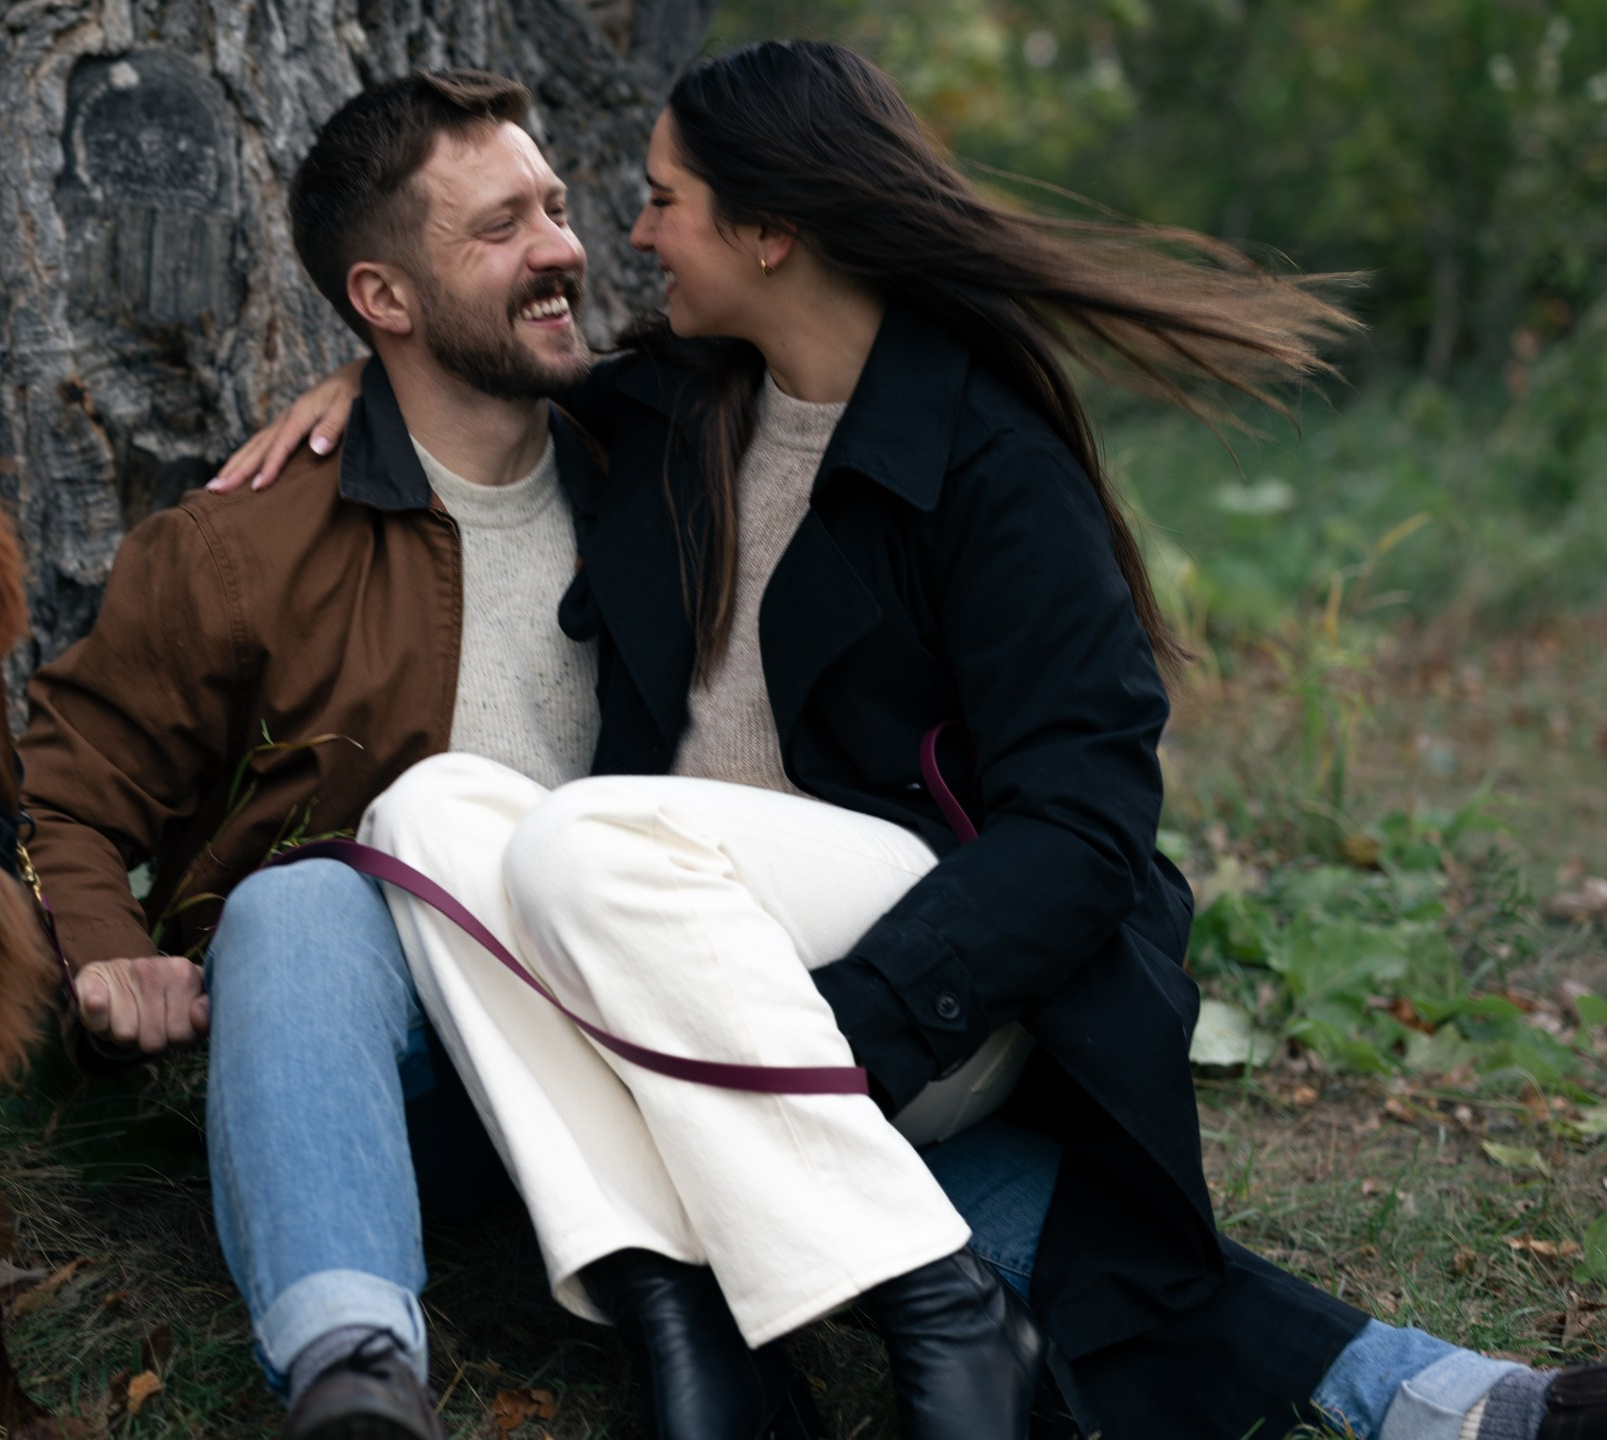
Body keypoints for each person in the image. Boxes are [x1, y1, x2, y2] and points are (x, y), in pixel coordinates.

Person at [214, 39, 1607, 1440]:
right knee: (432, 810)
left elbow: (1082, 833)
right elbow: (480, 374)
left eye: (660, 200)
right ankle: (714, 1321)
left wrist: (861, 1023)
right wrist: (369, 380)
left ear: (770, 233)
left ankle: (847, 1301)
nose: (629, 234)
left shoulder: (993, 474)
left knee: (580, 836)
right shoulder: (680, 409)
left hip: (924, 982)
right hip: (678, 953)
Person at [17, 69, 827, 1440]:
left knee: (1033, 1237)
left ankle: (1309, 1367)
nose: (564, 249)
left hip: (651, 1029)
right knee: (302, 900)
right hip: (404, 1078)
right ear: (383, 299)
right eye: (502, 227)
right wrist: (107, 956)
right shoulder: (241, 548)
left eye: (558, 208)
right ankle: (356, 1379)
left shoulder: (667, 470)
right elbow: (64, 788)